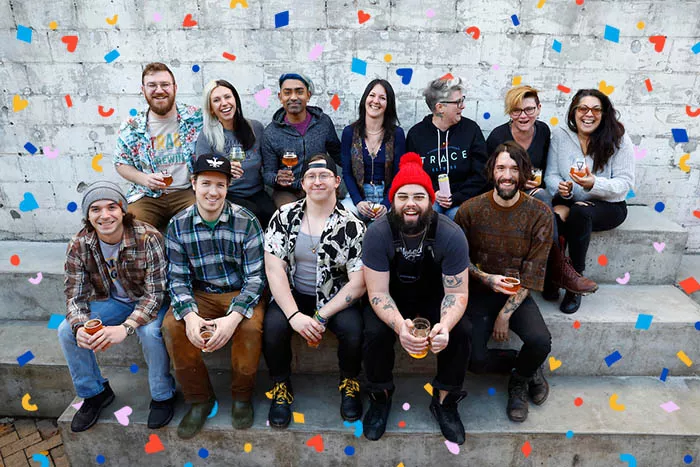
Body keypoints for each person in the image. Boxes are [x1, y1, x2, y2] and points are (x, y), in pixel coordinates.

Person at [361, 152, 471, 445]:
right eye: (403, 196)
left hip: (435, 297)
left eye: (419, 197)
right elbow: (377, 292)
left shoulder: (451, 234)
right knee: (373, 331)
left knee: (462, 330)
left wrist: (445, 325)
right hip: (392, 296)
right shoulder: (377, 233)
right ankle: (380, 396)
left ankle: (445, 400)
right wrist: (400, 326)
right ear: (392, 201)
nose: (410, 203)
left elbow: (457, 293)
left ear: (431, 201)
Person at [162, 154, 266, 439]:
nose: (213, 192)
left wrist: (233, 318)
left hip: (239, 291)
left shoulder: (247, 221)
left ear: (228, 187)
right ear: (193, 183)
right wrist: (191, 316)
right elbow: (177, 278)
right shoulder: (178, 224)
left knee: (249, 327)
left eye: (220, 185)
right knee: (172, 326)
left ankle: (242, 396)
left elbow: (256, 278)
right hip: (200, 293)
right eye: (206, 183)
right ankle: (199, 399)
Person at [58, 181, 176, 433]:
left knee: (150, 332)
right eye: (96, 209)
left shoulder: (148, 237)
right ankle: (94, 393)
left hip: (149, 301)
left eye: (111, 207)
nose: (105, 215)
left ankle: (163, 395)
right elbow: (74, 295)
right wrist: (79, 326)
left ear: (123, 210)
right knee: (66, 330)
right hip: (114, 302)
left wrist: (126, 327)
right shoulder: (79, 244)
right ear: (88, 216)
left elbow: (156, 294)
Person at [263, 154, 366, 428]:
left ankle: (349, 382)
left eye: (324, 176)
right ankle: (281, 386)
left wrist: (321, 315)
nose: (317, 181)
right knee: (273, 327)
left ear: (337, 181)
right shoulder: (284, 216)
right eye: (311, 176)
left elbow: (358, 282)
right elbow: (274, 269)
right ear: (303, 183)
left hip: (335, 297)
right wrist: (294, 315)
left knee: (354, 329)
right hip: (294, 292)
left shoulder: (352, 225)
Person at [454, 141, 553, 423]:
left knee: (540, 341)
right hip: (478, 292)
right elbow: (458, 262)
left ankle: (519, 380)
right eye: (500, 168)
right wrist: (487, 278)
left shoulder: (540, 213)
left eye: (514, 169)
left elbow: (533, 271)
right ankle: (526, 367)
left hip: (517, 292)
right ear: (492, 172)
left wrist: (505, 314)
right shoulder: (470, 210)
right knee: (475, 360)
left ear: (524, 173)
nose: (507, 175)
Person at [487, 85, 597, 304]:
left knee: (547, 201)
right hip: (505, 194)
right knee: (544, 198)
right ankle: (558, 269)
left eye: (529, 109)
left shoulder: (544, 131)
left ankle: (552, 274)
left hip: (536, 192)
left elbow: (549, 170)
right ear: (510, 112)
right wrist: (516, 182)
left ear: (538, 108)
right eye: (516, 110)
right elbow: (489, 177)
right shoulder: (498, 136)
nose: (523, 116)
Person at [544, 89, 635, 314]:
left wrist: (594, 183)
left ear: (604, 114)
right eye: (583, 108)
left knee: (580, 213)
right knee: (553, 216)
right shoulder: (561, 135)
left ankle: (574, 282)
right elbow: (551, 175)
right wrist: (562, 188)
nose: (589, 114)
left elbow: (625, 183)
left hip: (609, 205)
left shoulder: (619, 139)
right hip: (571, 200)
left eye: (596, 109)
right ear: (574, 112)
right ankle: (554, 273)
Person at [114, 62, 203, 230]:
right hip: (147, 195)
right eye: (152, 85)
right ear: (143, 90)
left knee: (203, 219)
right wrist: (144, 179)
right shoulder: (132, 126)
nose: (159, 90)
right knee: (131, 227)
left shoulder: (196, 118)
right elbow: (121, 163)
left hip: (186, 191)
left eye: (165, 84)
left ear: (175, 87)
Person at [406, 76, 489, 220]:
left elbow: (481, 173)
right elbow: (412, 173)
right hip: (430, 197)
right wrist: (433, 192)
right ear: (440, 107)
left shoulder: (471, 130)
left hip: (464, 199)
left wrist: (457, 197)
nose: (462, 106)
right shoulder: (416, 134)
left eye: (462, 100)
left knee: (456, 215)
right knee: (429, 213)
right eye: (458, 102)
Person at [196, 79, 276, 227]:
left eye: (227, 97)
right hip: (226, 194)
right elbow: (202, 171)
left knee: (271, 216)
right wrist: (224, 169)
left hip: (256, 192)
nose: (224, 103)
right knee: (250, 215)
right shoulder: (207, 135)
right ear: (211, 108)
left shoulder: (255, 128)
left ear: (236, 100)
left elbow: (268, 163)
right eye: (216, 100)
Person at [262, 72, 342, 208]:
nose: (293, 97)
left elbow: (339, 155)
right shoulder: (271, 132)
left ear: (308, 95)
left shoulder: (323, 123)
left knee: (325, 215)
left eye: (299, 92)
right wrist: (277, 178)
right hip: (288, 191)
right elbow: (268, 173)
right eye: (287, 93)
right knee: (291, 214)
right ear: (280, 97)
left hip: (318, 185)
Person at [340, 79, 406, 222]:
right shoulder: (349, 132)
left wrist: (386, 204)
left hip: (387, 196)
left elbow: (398, 174)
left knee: (394, 221)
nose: (376, 101)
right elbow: (347, 172)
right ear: (365, 99)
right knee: (344, 216)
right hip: (357, 195)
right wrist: (358, 201)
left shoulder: (397, 134)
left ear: (388, 104)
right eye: (372, 95)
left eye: (382, 98)